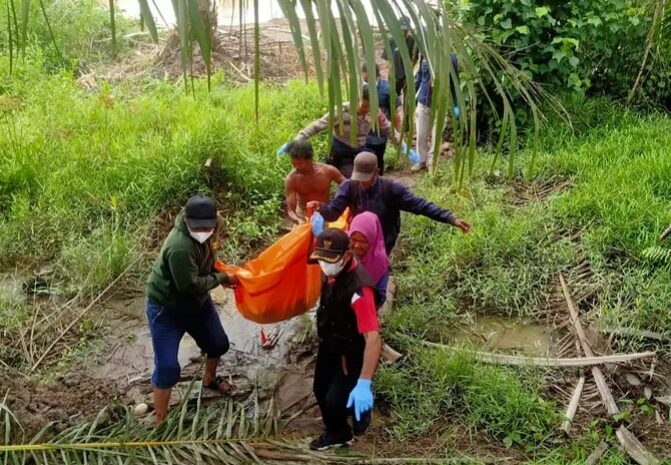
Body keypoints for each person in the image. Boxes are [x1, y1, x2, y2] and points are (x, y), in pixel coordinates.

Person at [146, 195, 238, 425]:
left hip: (197, 303)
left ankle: (209, 380)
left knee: (218, 344)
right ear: (186, 220)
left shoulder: (215, 224)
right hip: (167, 309)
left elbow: (209, 253)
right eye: (198, 228)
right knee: (167, 368)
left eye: (209, 227)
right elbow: (189, 285)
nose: (204, 231)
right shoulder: (179, 247)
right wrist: (221, 277)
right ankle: (160, 420)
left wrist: (217, 270)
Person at [308, 152, 471, 255]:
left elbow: (420, 205)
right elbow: (334, 212)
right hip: (359, 236)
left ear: (377, 172)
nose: (362, 183)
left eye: (366, 179)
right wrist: (321, 208)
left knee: (378, 265)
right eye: (359, 179)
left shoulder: (391, 189)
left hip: (385, 237)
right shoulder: (349, 186)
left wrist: (450, 218)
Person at [308, 228, 381, 450]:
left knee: (335, 399)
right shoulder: (331, 269)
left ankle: (341, 432)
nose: (325, 265)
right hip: (329, 342)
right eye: (322, 259)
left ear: (347, 256)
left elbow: (373, 337)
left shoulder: (360, 290)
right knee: (320, 388)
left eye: (331, 260)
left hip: (351, 351)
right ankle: (340, 425)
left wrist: (364, 382)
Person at [294, 85, 396, 178]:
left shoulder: (375, 112)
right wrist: (298, 139)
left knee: (370, 176)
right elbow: (317, 126)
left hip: (359, 150)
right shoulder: (340, 112)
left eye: (370, 106)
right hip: (340, 152)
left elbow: (387, 128)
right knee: (351, 180)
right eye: (364, 106)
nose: (367, 109)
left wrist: (403, 145)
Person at [412, 52, 461, 172]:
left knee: (436, 136)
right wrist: (413, 99)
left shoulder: (451, 58)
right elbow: (419, 77)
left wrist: (456, 105)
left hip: (440, 105)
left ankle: (432, 164)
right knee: (420, 135)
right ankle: (421, 160)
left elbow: (455, 83)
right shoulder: (424, 54)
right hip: (423, 101)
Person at [284, 139, 345, 224]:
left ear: (310, 159)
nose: (296, 167)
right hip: (302, 214)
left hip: (324, 212)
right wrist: (298, 220)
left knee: (324, 235)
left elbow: (349, 187)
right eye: (294, 164)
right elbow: (291, 210)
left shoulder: (328, 171)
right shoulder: (292, 179)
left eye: (300, 164)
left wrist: (338, 204)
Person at [362, 62, 401, 176]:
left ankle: (378, 183)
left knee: (378, 161)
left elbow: (395, 113)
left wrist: (397, 134)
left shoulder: (387, 89)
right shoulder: (361, 87)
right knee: (364, 162)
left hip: (379, 134)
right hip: (362, 134)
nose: (363, 78)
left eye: (364, 75)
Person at [348, 212, 390, 309]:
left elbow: (380, 296)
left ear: (372, 239)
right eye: (353, 240)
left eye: (363, 241)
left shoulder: (379, 262)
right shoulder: (344, 250)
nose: (357, 246)